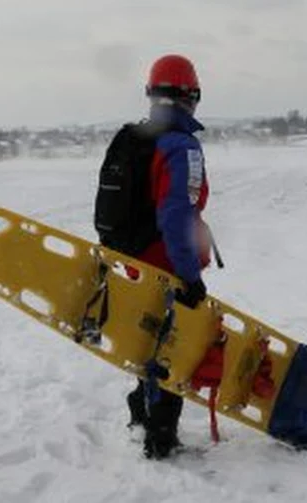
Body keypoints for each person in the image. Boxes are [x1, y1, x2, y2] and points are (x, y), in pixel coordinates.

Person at [93, 53, 213, 460]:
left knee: (150, 336)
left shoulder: (136, 138)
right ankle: (160, 437)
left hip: (133, 259)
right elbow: (177, 214)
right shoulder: (181, 146)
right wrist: (188, 277)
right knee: (173, 344)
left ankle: (141, 411)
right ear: (191, 95)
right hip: (165, 262)